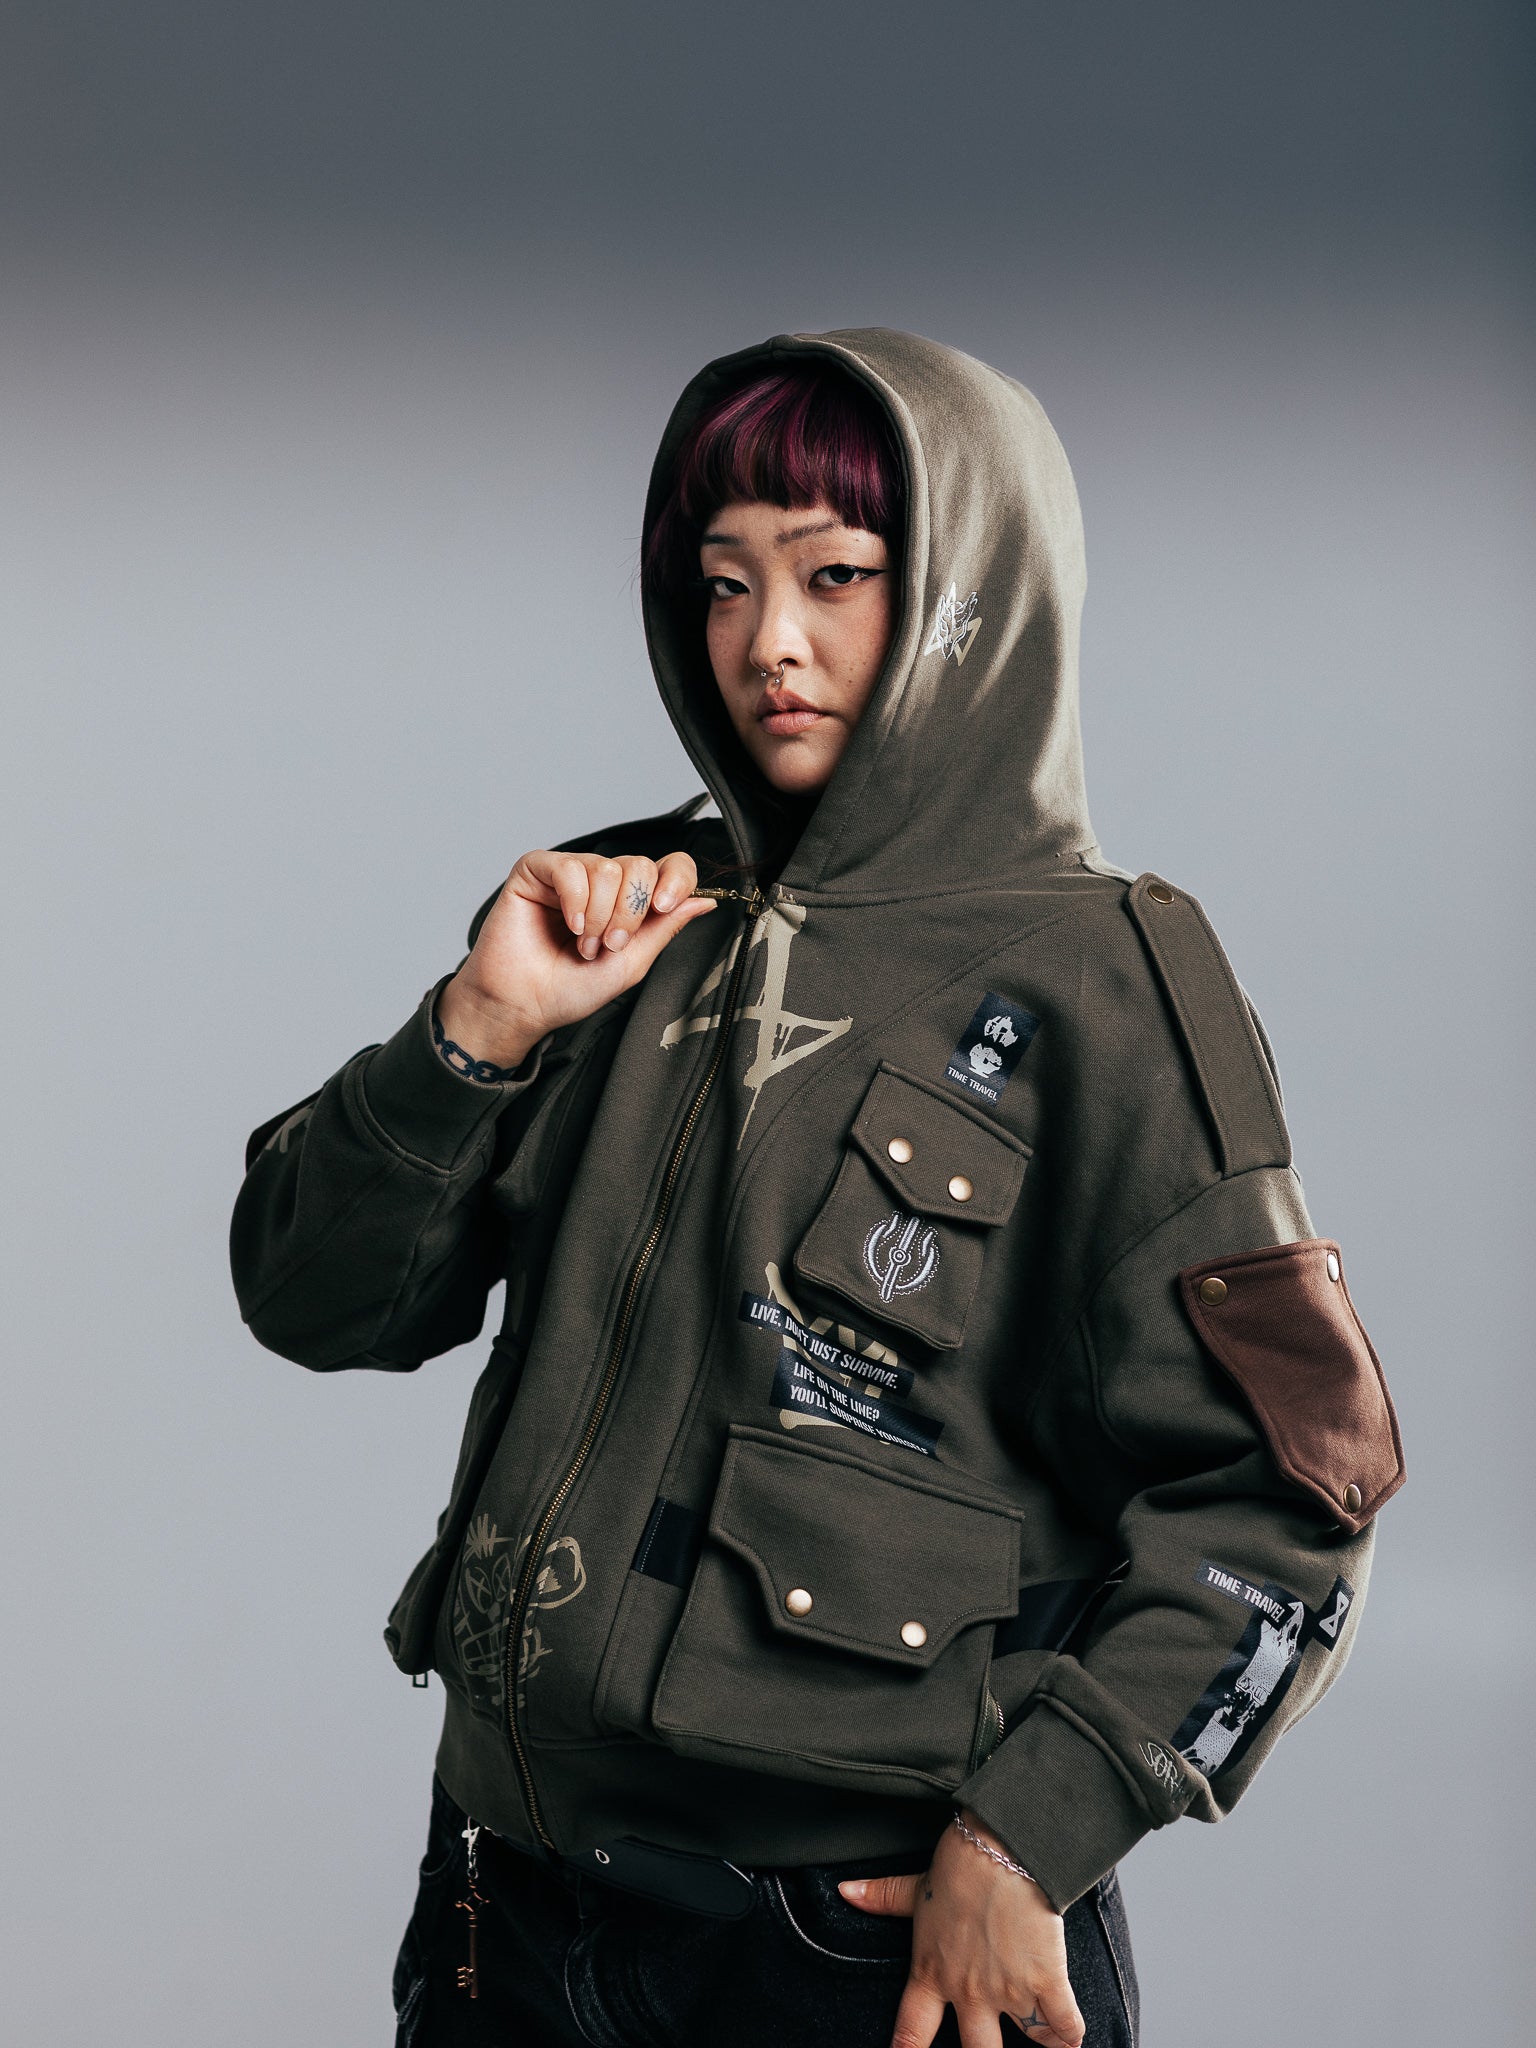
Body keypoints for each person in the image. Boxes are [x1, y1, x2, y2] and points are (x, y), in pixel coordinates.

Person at [231, 329, 1404, 2048]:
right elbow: (306, 1299)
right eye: (725, 583)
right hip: (510, 1909)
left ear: (970, 591)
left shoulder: (1111, 978)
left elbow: (1296, 1501)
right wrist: (477, 1031)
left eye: (834, 575)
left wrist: (1036, 1832)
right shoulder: (618, 916)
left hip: (852, 1955)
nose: (767, 642)